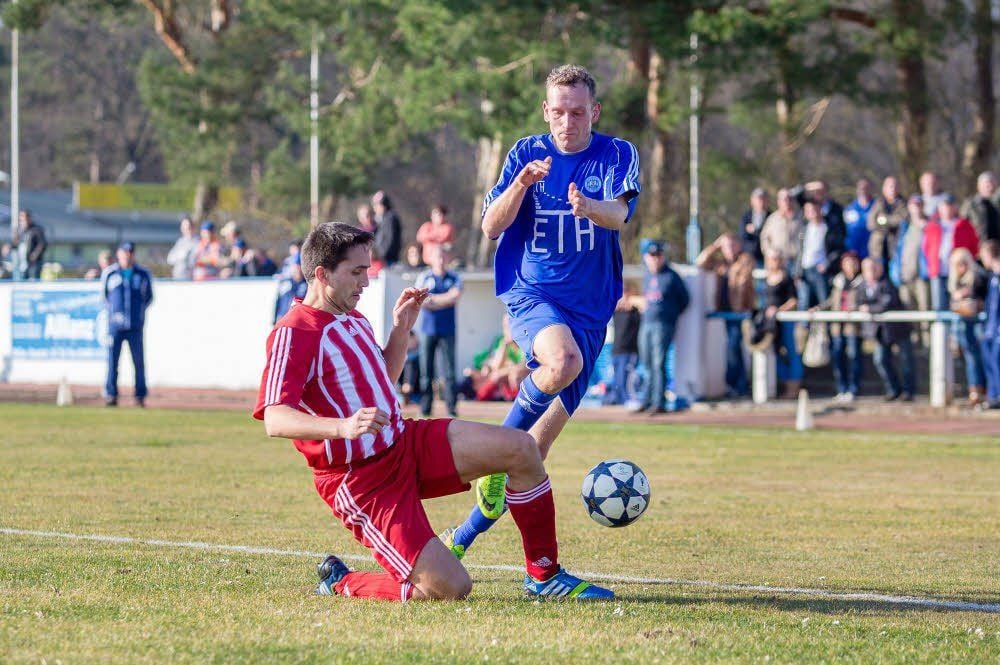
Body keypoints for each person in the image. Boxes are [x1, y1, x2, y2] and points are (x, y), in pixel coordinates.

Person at [252, 222, 612, 601]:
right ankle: (342, 582)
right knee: (450, 587)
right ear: (322, 274)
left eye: (367, 270)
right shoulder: (294, 332)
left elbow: (381, 380)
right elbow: (276, 417)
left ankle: (544, 577)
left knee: (521, 448)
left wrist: (401, 328)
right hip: (362, 480)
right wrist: (342, 427)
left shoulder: (351, 317)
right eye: (357, 272)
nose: (366, 282)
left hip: (406, 442)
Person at [443, 64, 641, 558]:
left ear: (594, 112)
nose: (568, 122)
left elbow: (619, 214)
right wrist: (520, 186)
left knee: (530, 455)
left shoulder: (617, 154)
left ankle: (459, 540)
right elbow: (491, 226)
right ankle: (494, 451)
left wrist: (588, 206)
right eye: (559, 112)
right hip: (532, 292)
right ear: (545, 112)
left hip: (590, 312)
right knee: (562, 362)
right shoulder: (525, 153)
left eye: (578, 113)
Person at [636, 241, 690, 414]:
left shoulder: (672, 276)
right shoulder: (647, 276)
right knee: (646, 362)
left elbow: (685, 300)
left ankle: (658, 402)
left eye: (658, 255)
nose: (656, 259)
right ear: (646, 257)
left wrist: (670, 314)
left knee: (658, 362)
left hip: (663, 324)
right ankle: (646, 399)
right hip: (646, 322)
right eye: (652, 255)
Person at [101, 242, 154, 407]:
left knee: (138, 362)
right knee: (112, 361)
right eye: (124, 252)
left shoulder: (143, 274)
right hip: (115, 326)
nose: (127, 255)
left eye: (130, 252)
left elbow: (148, 297)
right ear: (118, 254)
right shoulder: (110, 274)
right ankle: (111, 394)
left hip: (135, 326)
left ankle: (140, 395)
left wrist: (137, 314)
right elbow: (105, 298)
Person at [856, 258, 915, 401]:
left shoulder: (887, 284)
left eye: (873, 268)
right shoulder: (861, 286)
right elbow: (857, 303)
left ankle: (908, 391)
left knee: (906, 361)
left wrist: (869, 308)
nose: (871, 271)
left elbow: (886, 304)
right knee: (880, 360)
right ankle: (893, 389)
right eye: (867, 269)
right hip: (880, 332)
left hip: (899, 330)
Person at [414, 244, 463, 418]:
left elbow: (455, 296)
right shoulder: (424, 277)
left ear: (448, 258)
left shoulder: (454, 277)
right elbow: (421, 300)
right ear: (431, 259)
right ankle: (425, 408)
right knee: (426, 371)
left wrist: (433, 300)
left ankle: (451, 409)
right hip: (428, 330)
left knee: (449, 371)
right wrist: (445, 299)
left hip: (448, 330)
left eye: (443, 257)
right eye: (438, 257)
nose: (441, 260)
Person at [923, 193, 979, 311]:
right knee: (939, 306)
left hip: (959, 274)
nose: (947, 209)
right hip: (939, 271)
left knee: (960, 305)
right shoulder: (932, 226)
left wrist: (966, 266)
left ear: (954, 207)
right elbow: (926, 248)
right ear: (939, 208)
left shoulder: (964, 225)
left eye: (949, 206)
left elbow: (974, 247)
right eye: (944, 206)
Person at [821, 251, 863, 402]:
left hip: (853, 327)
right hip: (837, 327)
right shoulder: (838, 282)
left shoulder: (861, 282)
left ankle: (853, 389)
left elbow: (864, 301)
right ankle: (841, 388)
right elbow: (831, 300)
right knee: (838, 356)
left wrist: (856, 308)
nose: (850, 266)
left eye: (853, 262)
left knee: (854, 357)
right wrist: (818, 308)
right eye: (847, 263)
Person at [948, 248, 987, 406]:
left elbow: (984, 302)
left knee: (978, 357)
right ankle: (975, 391)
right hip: (963, 324)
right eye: (957, 264)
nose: (961, 267)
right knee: (970, 357)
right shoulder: (955, 281)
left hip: (977, 323)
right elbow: (953, 305)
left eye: (963, 263)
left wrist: (971, 300)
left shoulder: (978, 277)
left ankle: (981, 391)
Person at [762, 251, 801, 398]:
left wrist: (779, 310)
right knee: (775, 352)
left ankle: (794, 386)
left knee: (791, 352)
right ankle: (785, 385)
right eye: (771, 259)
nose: (774, 262)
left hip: (786, 321)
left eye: (776, 259)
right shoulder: (765, 278)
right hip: (771, 323)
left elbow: (793, 300)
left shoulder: (786, 278)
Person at [795, 200, 843, 310]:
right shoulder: (804, 229)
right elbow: (801, 251)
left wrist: (826, 264)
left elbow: (837, 249)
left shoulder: (829, 228)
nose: (811, 213)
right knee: (804, 302)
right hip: (805, 269)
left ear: (819, 210)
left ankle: (825, 321)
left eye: (813, 210)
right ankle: (804, 321)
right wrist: (798, 272)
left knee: (823, 301)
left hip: (820, 270)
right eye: (808, 210)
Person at [605, 281, 641, 406]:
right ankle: (619, 402)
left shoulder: (635, 312)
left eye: (625, 291)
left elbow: (643, 304)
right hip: (616, 350)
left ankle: (629, 401)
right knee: (617, 381)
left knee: (625, 380)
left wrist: (632, 303)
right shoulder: (616, 311)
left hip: (629, 351)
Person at [979, 240, 1000, 410]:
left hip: (997, 328)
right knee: (989, 360)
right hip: (991, 328)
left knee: (997, 360)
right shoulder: (992, 277)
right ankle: (993, 397)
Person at [866, 176, 908, 264]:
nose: (893, 189)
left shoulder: (904, 204)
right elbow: (870, 223)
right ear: (884, 188)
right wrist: (889, 224)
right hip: (877, 248)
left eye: (895, 186)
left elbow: (902, 220)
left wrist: (884, 220)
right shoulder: (878, 203)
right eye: (890, 186)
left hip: (895, 248)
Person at [760, 188, 801, 269]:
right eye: (785, 199)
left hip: (797, 262)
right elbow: (764, 238)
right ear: (779, 201)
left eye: (790, 199)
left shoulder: (801, 217)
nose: (788, 202)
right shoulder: (772, 219)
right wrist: (770, 252)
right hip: (777, 263)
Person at [961, 171, 1000, 244]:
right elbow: (963, 224)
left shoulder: (997, 204)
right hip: (979, 245)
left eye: (992, 185)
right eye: (987, 185)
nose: (990, 188)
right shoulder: (971, 204)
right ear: (979, 186)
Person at [844, 178, 874, 259]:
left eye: (866, 188)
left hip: (872, 251)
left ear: (871, 189)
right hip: (853, 252)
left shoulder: (877, 207)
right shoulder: (850, 208)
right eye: (861, 188)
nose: (863, 190)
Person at [371, 190, 402, 267]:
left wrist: (381, 256)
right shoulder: (383, 219)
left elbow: (389, 240)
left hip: (388, 259)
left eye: (377, 205)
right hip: (384, 259)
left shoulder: (390, 219)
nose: (375, 208)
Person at [739, 187, 770, 265]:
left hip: (765, 258)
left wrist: (755, 231)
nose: (761, 201)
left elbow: (768, 236)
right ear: (752, 201)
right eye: (759, 199)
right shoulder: (746, 216)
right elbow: (742, 236)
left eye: (763, 199)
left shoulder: (771, 217)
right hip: (748, 257)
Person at [274, 254, 308, 323]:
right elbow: (278, 302)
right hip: (283, 321)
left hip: (299, 321)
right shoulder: (286, 284)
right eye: (295, 266)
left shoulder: (308, 285)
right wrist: (275, 319)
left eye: (299, 266)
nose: (297, 269)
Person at [14, 210, 47, 280]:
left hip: (34, 262)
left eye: (25, 219)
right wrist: (8, 246)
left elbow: (42, 244)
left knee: (34, 280)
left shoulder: (37, 229)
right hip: (22, 262)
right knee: (22, 280)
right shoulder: (19, 230)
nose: (23, 221)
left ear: (29, 218)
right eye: (21, 220)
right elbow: (15, 243)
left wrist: (35, 255)